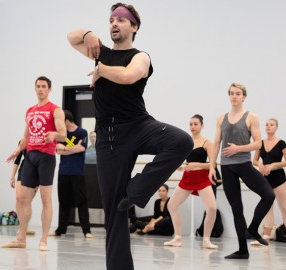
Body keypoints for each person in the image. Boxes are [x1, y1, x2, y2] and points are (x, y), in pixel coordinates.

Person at [67, 3, 193, 269]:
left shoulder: (141, 56)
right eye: (111, 19)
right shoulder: (100, 52)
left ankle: (137, 190)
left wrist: (100, 70)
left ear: (134, 27)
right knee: (115, 212)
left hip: (138, 125)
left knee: (181, 141)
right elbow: (71, 37)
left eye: (121, 20)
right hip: (109, 138)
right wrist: (89, 34)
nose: (114, 23)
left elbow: (127, 76)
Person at [208, 83, 275, 259]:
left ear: (244, 96)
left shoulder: (251, 117)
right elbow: (216, 143)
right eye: (231, 93)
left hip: (244, 164)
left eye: (237, 94)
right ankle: (242, 251)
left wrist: (239, 148)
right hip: (227, 167)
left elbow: (258, 143)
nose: (234, 96)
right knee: (237, 209)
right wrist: (211, 166)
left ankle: (252, 228)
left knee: (269, 195)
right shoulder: (221, 118)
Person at [2, 76, 67, 251]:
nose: (40, 89)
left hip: (46, 158)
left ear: (49, 89)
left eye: (43, 86)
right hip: (30, 157)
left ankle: (43, 240)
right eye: (38, 86)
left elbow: (64, 134)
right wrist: (17, 150)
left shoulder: (56, 110)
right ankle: (21, 238)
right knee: (23, 199)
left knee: (45, 198)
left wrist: (54, 135)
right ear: (35, 88)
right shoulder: (29, 111)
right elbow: (26, 136)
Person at [164, 114, 218, 249]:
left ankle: (206, 240)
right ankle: (177, 238)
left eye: (195, 124)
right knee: (171, 205)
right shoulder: (186, 143)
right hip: (187, 178)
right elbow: (178, 160)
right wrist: (179, 167)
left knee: (212, 208)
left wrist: (196, 165)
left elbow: (213, 165)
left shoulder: (207, 143)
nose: (193, 126)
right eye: (191, 124)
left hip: (202, 178)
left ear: (202, 126)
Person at [252, 118, 286, 248]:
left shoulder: (281, 143)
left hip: (279, 179)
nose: (268, 127)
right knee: (268, 208)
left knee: (283, 207)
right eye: (266, 125)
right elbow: (254, 161)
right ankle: (266, 236)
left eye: (271, 125)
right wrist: (260, 164)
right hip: (265, 179)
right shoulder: (260, 143)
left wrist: (274, 164)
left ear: (276, 127)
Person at [50, 109, 93, 238]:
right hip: (63, 172)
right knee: (63, 201)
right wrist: (71, 149)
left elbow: (81, 148)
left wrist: (66, 148)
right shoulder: (61, 135)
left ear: (66, 121)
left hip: (78, 172)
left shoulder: (82, 132)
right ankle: (61, 229)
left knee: (82, 201)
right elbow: (58, 151)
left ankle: (87, 230)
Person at [10, 140, 36, 235]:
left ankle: (25, 226)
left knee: (26, 201)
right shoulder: (23, 141)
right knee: (18, 198)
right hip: (24, 169)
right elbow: (17, 159)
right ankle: (22, 226)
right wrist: (12, 176)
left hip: (35, 170)